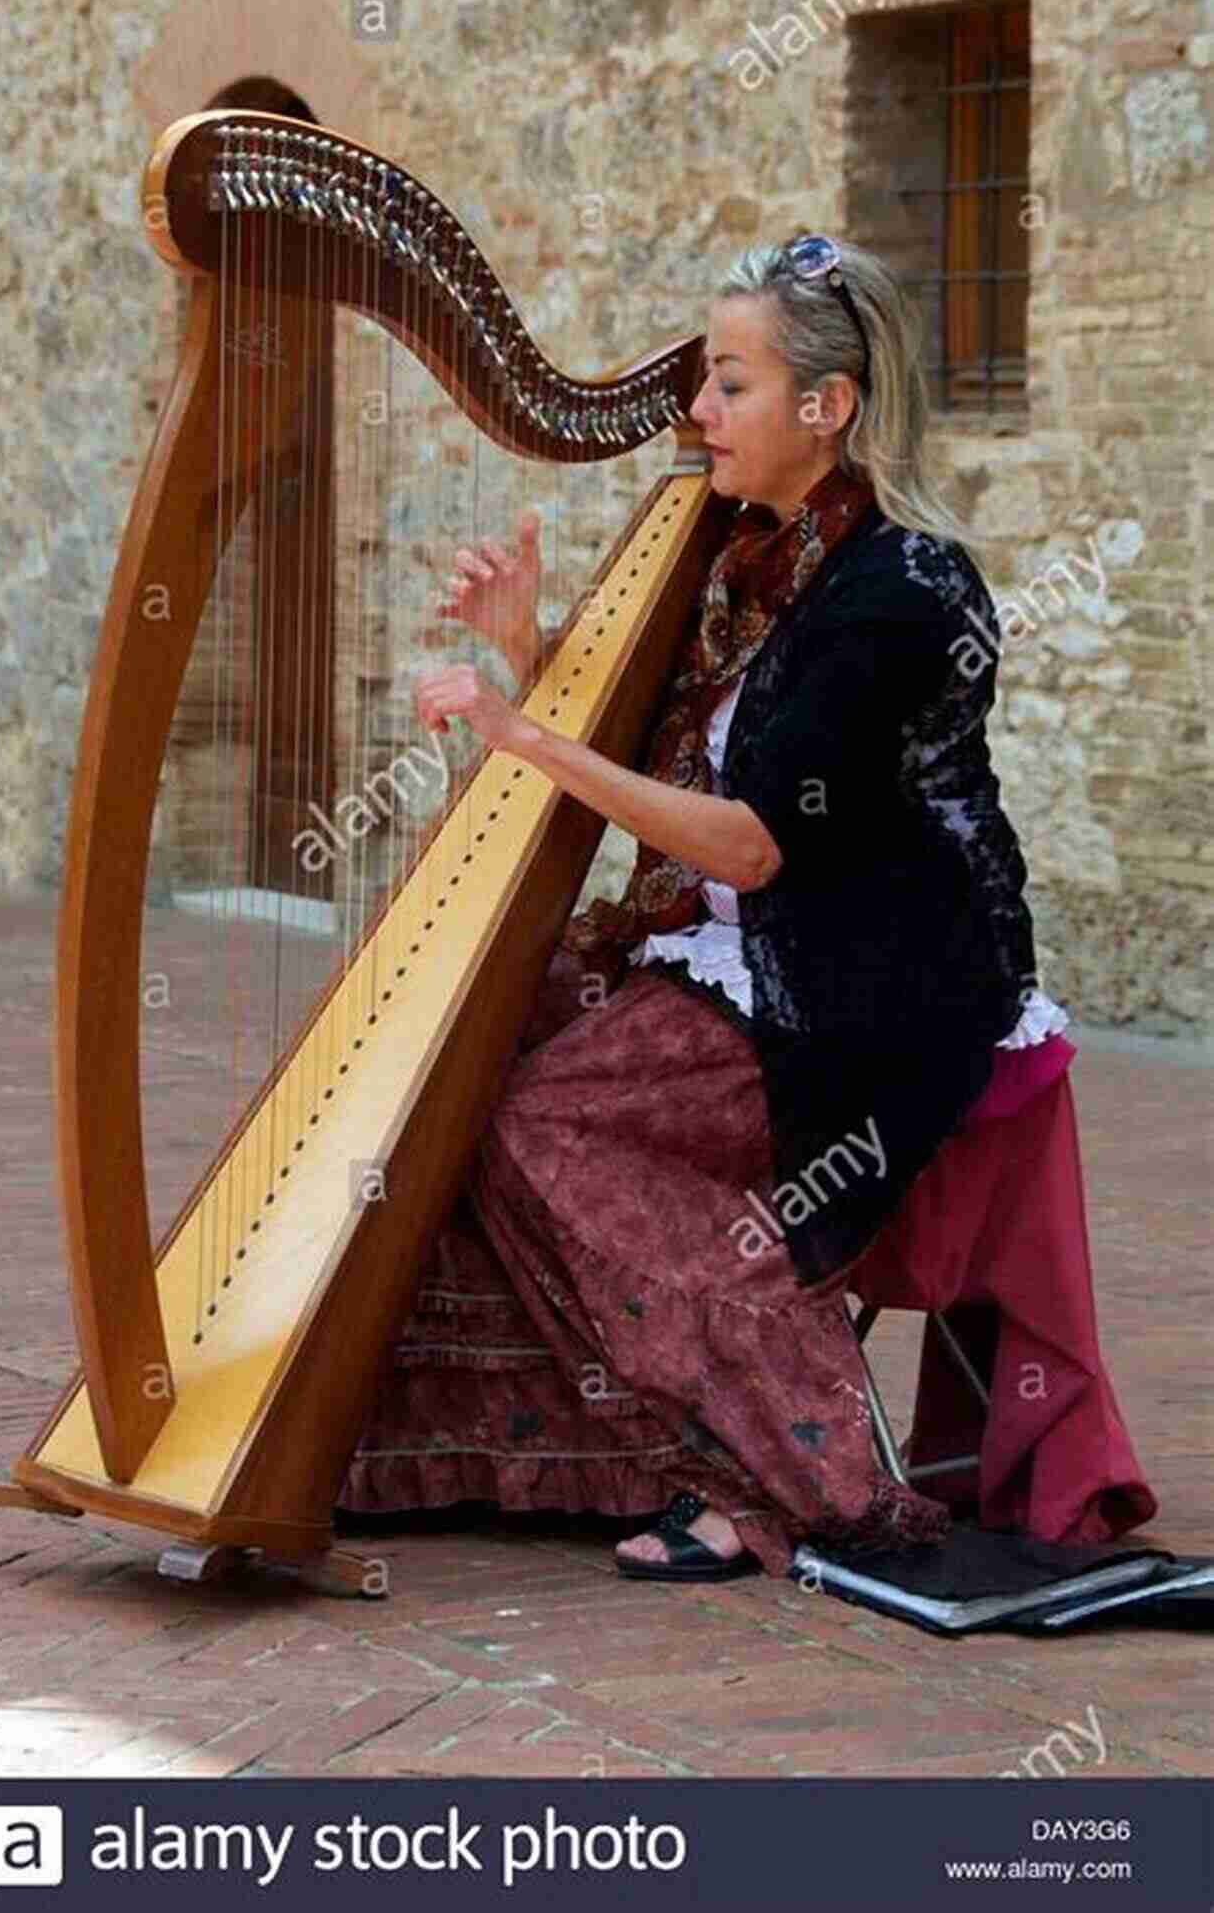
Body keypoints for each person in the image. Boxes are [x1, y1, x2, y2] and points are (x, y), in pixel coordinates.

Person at [333, 234, 1079, 1583]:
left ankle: (784, 1461)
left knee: (539, 1119)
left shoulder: (903, 594)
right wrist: (533, 653)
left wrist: (522, 734)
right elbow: (682, 750)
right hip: (743, 947)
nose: (695, 416)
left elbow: (748, 844)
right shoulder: (755, 564)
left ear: (827, 407)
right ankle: (527, 1444)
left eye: (729, 384)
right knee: (460, 1047)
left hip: (863, 991)